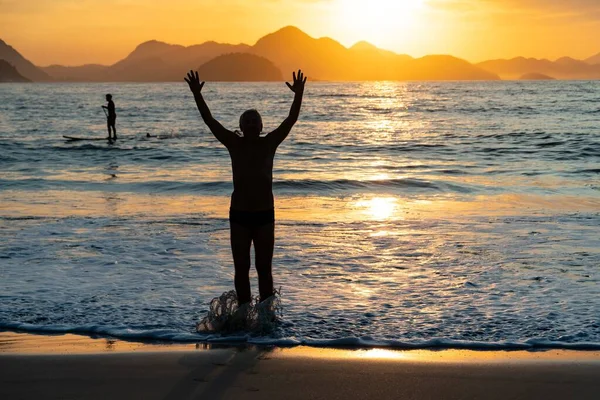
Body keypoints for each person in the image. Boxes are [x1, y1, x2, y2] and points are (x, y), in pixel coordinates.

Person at [184, 69, 306, 306]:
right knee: (241, 268)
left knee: (264, 269)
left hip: (264, 215)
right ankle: (242, 316)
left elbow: (290, 120)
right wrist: (197, 95)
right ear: (240, 126)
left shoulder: (270, 142)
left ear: (261, 126)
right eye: (246, 121)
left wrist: (298, 94)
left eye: (254, 121)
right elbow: (210, 121)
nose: (250, 124)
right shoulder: (233, 143)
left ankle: (265, 317)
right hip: (239, 215)